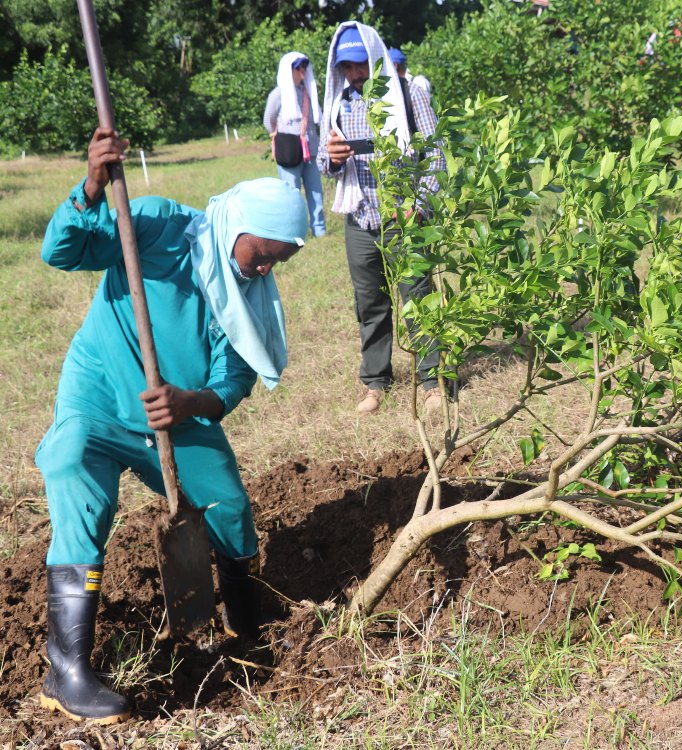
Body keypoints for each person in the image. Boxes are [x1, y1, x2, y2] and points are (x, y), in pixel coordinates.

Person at [35, 126, 308, 724]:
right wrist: (91, 187)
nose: (263, 269)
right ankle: (67, 668)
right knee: (73, 464)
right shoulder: (158, 225)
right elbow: (61, 252)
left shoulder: (244, 294)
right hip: (102, 398)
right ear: (238, 225)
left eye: (277, 261)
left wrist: (192, 403)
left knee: (228, 505)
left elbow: (232, 379)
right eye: (261, 252)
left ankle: (245, 621)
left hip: (175, 415)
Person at [318, 23, 446, 415]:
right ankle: (375, 381)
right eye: (347, 67)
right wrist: (333, 160)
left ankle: (432, 382)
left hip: (406, 217)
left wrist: (418, 204)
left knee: (417, 297)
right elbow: (325, 163)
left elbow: (435, 156)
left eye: (360, 65)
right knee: (369, 302)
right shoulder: (339, 103)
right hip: (360, 218)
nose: (355, 74)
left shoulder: (409, 95)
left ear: (374, 59)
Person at [263, 52, 326, 238]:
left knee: (316, 192)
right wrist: (283, 134)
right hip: (289, 151)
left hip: (311, 150)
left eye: (304, 67)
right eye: (298, 67)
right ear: (288, 70)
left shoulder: (308, 92)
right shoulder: (278, 94)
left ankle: (319, 230)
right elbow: (269, 120)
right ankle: (294, 231)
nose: (302, 71)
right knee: (291, 193)